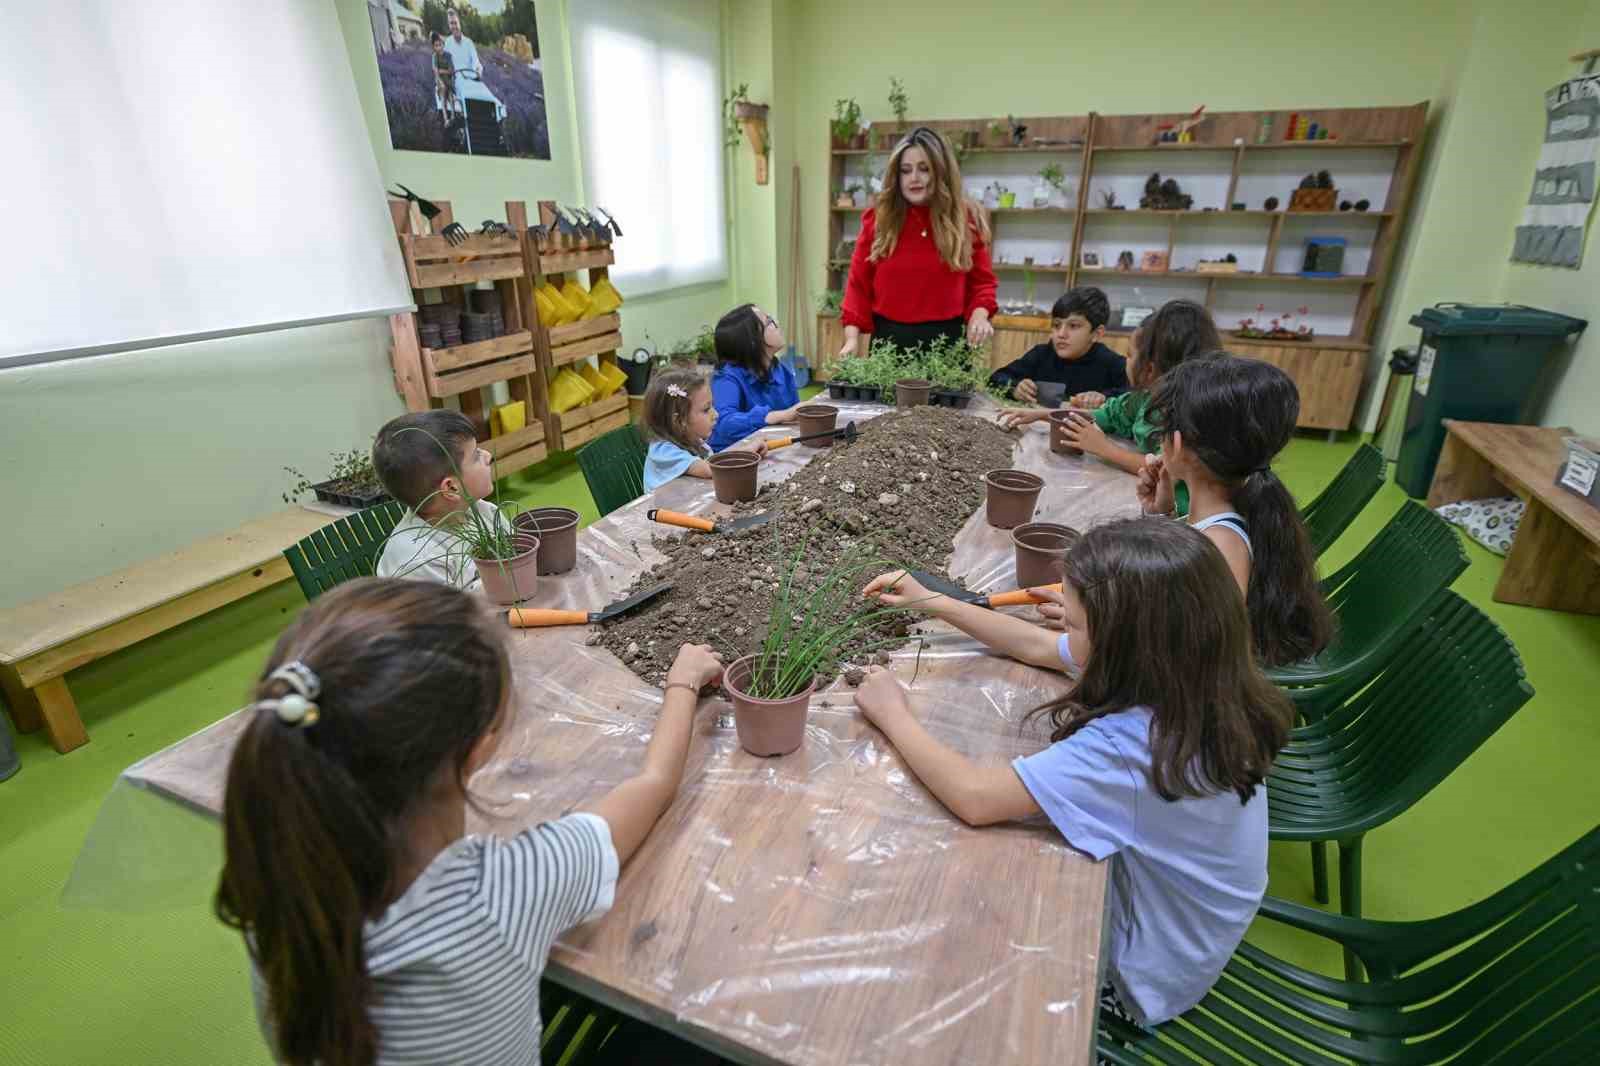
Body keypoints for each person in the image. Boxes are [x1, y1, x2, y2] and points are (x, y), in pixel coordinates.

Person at [215, 578, 726, 1066]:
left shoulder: (277, 877)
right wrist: (682, 682)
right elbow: (654, 785)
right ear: (480, 748)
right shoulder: (502, 891)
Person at [856, 519, 1293, 1028]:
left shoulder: (1135, 747)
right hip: (1193, 936)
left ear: (1123, 642)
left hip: (1140, 979)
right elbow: (1038, 647)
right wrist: (936, 602)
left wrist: (893, 715)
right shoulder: (1196, 677)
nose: (1064, 628)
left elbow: (975, 797)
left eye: (1076, 623)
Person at [1141, 353, 1333, 667]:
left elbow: (1188, 655)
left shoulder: (1220, 545)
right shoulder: (1228, 515)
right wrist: (1160, 515)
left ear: (1176, 442)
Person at [1010, 300, 1221, 480]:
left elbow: (1168, 472)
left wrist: (1103, 448)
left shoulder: (1189, 419)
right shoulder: (1144, 398)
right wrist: (1044, 414)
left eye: (1129, 355)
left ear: (1149, 369)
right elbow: (1106, 415)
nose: (1125, 361)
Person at [839, 127, 998, 358]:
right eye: (906, 170)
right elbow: (857, 285)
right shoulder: (879, 221)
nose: (914, 178)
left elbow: (982, 284)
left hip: (947, 347)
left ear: (941, 172)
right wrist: (851, 339)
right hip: (889, 345)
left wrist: (979, 316)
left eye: (924, 169)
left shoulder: (965, 220)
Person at [372, 410, 508, 590]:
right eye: (476, 456)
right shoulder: (418, 561)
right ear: (451, 488)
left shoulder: (484, 512)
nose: (488, 455)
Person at [987, 287, 1127, 407]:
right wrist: (1015, 388)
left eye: (1073, 326)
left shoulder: (1113, 363)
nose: (1061, 334)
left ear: (1097, 333)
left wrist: (1104, 398)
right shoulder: (1041, 354)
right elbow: (996, 379)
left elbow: (1133, 396)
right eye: (1056, 325)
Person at [642, 367, 766, 492]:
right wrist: (746, 454)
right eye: (706, 410)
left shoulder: (694, 440)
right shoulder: (663, 451)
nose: (716, 414)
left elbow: (716, 460)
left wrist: (746, 451)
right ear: (679, 420)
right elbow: (711, 469)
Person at [707, 304, 801, 451]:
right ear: (752, 340)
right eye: (769, 322)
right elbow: (724, 424)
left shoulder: (780, 369)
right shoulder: (727, 377)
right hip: (736, 457)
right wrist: (778, 416)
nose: (777, 324)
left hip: (772, 448)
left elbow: (794, 417)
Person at [430, 31, 458, 117]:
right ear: (434, 47)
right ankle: (446, 118)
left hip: (448, 78)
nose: (438, 47)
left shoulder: (448, 55)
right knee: (443, 93)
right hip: (440, 79)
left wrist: (441, 71)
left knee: (450, 94)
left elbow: (451, 70)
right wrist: (440, 81)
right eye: (436, 46)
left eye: (440, 45)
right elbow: (435, 71)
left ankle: (453, 116)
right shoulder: (434, 56)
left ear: (443, 45)